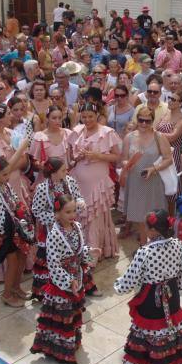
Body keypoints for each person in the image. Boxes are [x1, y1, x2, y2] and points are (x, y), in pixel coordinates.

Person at [114, 209, 182, 364]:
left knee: (148, 339)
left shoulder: (145, 252)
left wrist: (117, 287)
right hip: (172, 297)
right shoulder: (179, 245)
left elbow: (129, 280)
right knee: (169, 338)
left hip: (151, 301)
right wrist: (178, 292)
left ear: (151, 231)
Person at [30, 193, 100, 364]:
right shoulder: (54, 235)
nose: (72, 215)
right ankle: (59, 349)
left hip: (76, 275)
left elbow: (79, 250)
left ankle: (71, 341)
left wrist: (89, 252)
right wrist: (68, 280)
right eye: (68, 212)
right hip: (63, 281)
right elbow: (53, 263)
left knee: (72, 312)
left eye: (74, 211)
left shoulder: (76, 227)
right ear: (57, 213)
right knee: (63, 314)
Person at [0, 156, 34, 308]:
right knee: (12, 262)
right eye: (4, 174)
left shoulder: (5, 186)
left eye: (7, 173)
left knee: (22, 256)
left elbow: (16, 202)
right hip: (5, 233)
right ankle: (6, 294)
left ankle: (16, 287)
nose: (7, 177)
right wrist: (11, 229)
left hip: (15, 229)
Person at [70, 102, 121, 258]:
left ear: (97, 115)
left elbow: (116, 156)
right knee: (80, 213)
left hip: (97, 182)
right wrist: (77, 157)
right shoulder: (77, 131)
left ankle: (94, 253)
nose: (87, 120)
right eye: (84, 116)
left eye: (90, 116)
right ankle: (80, 248)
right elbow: (71, 156)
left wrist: (98, 156)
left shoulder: (107, 132)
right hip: (79, 180)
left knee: (96, 215)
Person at [31, 157, 87, 299]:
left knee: (76, 255)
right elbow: (37, 210)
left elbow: (78, 196)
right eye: (63, 170)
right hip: (52, 231)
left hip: (70, 227)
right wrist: (55, 217)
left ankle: (77, 286)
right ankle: (49, 292)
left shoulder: (70, 182)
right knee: (52, 260)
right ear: (53, 172)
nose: (66, 171)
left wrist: (80, 203)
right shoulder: (43, 188)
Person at [121, 107, 173, 245]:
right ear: (137, 119)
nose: (144, 124)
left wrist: (154, 168)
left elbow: (168, 159)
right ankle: (144, 248)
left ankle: (158, 248)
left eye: (147, 121)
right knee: (140, 219)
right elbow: (123, 158)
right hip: (136, 181)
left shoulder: (159, 137)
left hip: (153, 182)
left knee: (156, 219)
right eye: (141, 120)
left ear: (152, 121)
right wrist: (128, 164)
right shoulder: (129, 137)